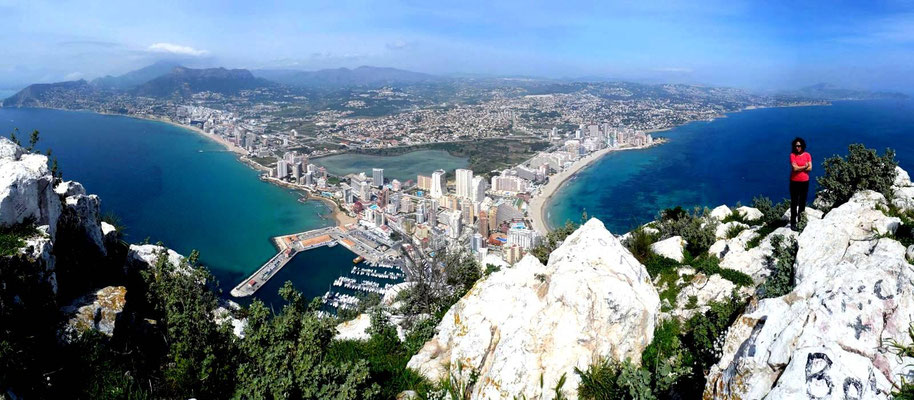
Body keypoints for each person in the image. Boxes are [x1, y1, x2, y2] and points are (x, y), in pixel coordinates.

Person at [789, 137, 812, 231]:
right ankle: (793, 222)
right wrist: (805, 166)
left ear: (802, 146)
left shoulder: (807, 155)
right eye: (796, 146)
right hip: (794, 182)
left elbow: (810, 168)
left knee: (802, 202)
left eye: (799, 146)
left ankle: (801, 221)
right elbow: (794, 169)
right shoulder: (792, 155)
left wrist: (800, 167)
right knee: (794, 202)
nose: (797, 148)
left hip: (805, 182)